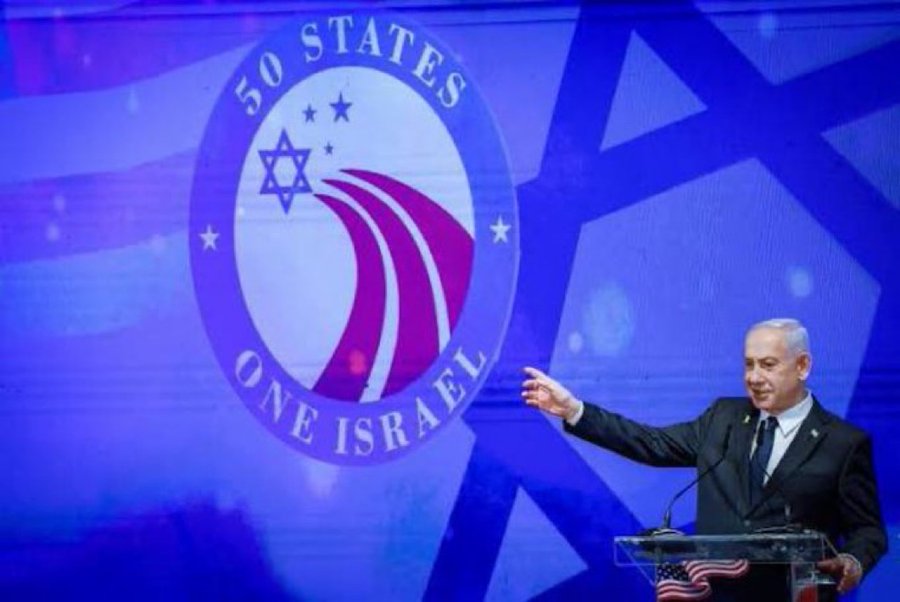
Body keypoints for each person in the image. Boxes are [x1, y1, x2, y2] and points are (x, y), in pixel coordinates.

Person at [522, 318, 886, 601]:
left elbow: (867, 530)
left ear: (802, 365)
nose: (754, 378)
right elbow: (651, 443)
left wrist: (852, 562)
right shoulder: (723, 419)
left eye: (768, 364)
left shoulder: (843, 442)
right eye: (748, 365)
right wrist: (574, 411)